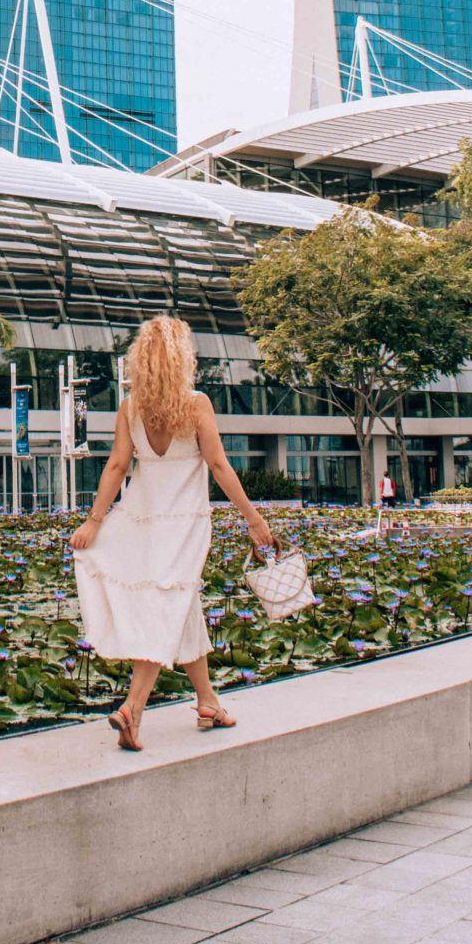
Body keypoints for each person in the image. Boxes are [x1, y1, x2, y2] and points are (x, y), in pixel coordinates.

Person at [71, 315, 277, 751]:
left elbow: (117, 467)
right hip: (183, 523)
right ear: (182, 358)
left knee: (180, 602)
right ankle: (133, 709)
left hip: (141, 519)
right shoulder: (196, 403)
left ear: (141, 360)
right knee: (169, 602)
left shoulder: (131, 408)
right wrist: (254, 520)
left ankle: (208, 702)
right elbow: (219, 466)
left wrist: (95, 520)